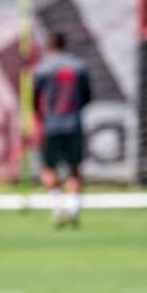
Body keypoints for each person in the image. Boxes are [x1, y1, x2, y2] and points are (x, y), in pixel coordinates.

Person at [33, 31, 92, 227]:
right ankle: (73, 210)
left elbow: (34, 100)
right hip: (74, 123)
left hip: (51, 125)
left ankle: (57, 208)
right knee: (74, 169)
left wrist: (40, 118)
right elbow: (86, 97)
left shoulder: (42, 69)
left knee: (48, 168)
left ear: (49, 46)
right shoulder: (79, 67)